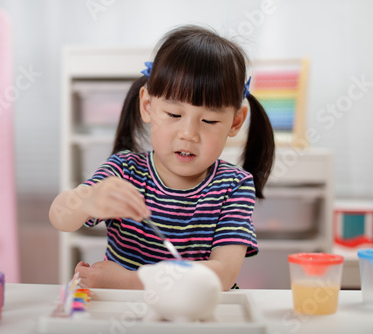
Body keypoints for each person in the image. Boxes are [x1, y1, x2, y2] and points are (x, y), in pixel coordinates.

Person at [50, 25, 275, 291]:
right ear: (148, 106)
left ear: (235, 122)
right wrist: (89, 199)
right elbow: (59, 216)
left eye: (209, 120)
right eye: (174, 115)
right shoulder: (124, 171)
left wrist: (133, 281)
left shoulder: (234, 186)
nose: (189, 134)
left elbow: (222, 275)